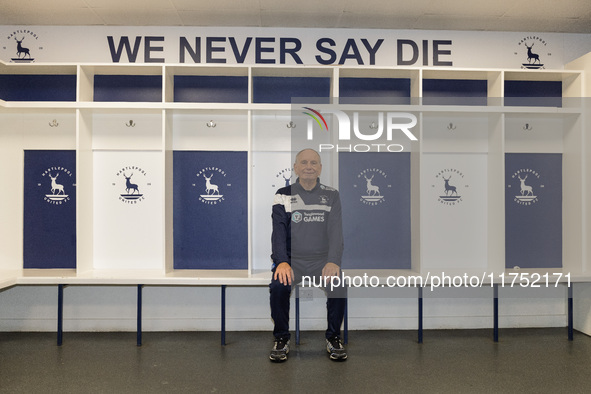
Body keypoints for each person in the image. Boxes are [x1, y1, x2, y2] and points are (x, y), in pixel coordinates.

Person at [269, 148, 347, 362]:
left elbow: (336, 231)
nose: (309, 166)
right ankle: (281, 338)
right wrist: (282, 262)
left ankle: (333, 337)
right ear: (296, 167)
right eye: (304, 162)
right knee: (278, 286)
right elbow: (278, 231)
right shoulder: (282, 195)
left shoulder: (332, 195)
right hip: (292, 261)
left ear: (320, 168)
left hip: (321, 261)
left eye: (314, 162)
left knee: (339, 284)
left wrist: (333, 261)